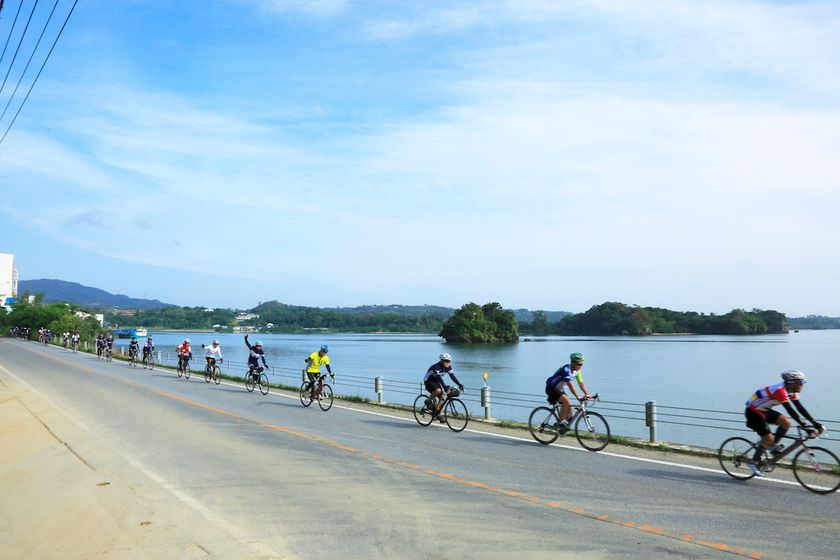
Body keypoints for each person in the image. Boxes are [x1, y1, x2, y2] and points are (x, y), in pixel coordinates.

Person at [744, 370, 824, 476]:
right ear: (792, 383)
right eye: (801, 383)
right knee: (768, 438)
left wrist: (814, 423)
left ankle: (771, 446)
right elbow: (790, 409)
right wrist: (803, 425)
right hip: (753, 412)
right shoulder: (780, 390)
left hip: (764, 410)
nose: (802, 385)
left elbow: (799, 407)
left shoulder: (790, 391)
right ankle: (753, 462)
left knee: (786, 422)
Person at [544, 352, 592, 433]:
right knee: (567, 402)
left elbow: (581, 383)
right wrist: (578, 397)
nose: (581, 366)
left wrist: (588, 394)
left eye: (582, 364)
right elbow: (570, 385)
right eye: (579, 364)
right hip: (551, 388)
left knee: (569, 410)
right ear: (573, 363)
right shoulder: (566, 370)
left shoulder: (577, 371)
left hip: (559, 389)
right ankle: (559, 424)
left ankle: (563, 427)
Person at [423, 353, 464, 420]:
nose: (448, 363)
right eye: (446, 361)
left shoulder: (448, 367)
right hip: (428, 381)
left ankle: (437, 413)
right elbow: (439, 378)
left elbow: (452, 376)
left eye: (449, 361)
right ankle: (428, 401)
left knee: (442, 399)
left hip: (436, 381)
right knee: (438, 391)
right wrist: (445, 387)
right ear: (442, 360)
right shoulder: (436, 367)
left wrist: (459, 384)